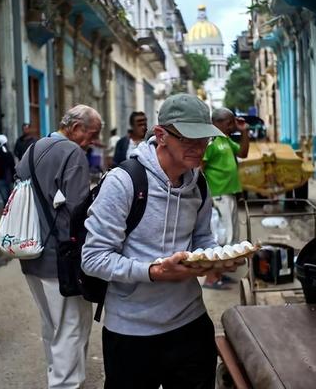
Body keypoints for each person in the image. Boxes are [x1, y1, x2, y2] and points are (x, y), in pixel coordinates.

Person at [82, 94, 236, 389]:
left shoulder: (198, 183)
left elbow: (202, 237)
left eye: (203, 138)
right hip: (131, 333)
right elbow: (93, 259)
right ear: (161, 135)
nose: (199, 147)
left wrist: (218, 258)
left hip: (190, 323)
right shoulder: (123, 182)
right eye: (188, 138)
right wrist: (153, 271)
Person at [16, 105, 102, 389]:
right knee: (72, 327)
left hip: (30, 252)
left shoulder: (33, 148)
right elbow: (79, 211)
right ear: (76, 128)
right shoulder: (72, 153)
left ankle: (57, 376)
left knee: (51, 326)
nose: (92, 142)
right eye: (92, 135)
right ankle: (64, 384)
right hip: (61, 257)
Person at [201, 108, 249, 289]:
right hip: (218, 196)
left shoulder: (225, 140)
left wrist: (244, 131)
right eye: (229, 122)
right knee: (220, 238)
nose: (232, 126)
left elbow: (243, 153)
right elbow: (200, 168)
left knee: (229, 237)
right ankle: (211, 278)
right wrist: (206, 196)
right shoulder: (211, 141)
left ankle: (219, 274)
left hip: (229, 194)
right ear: (217, 123)